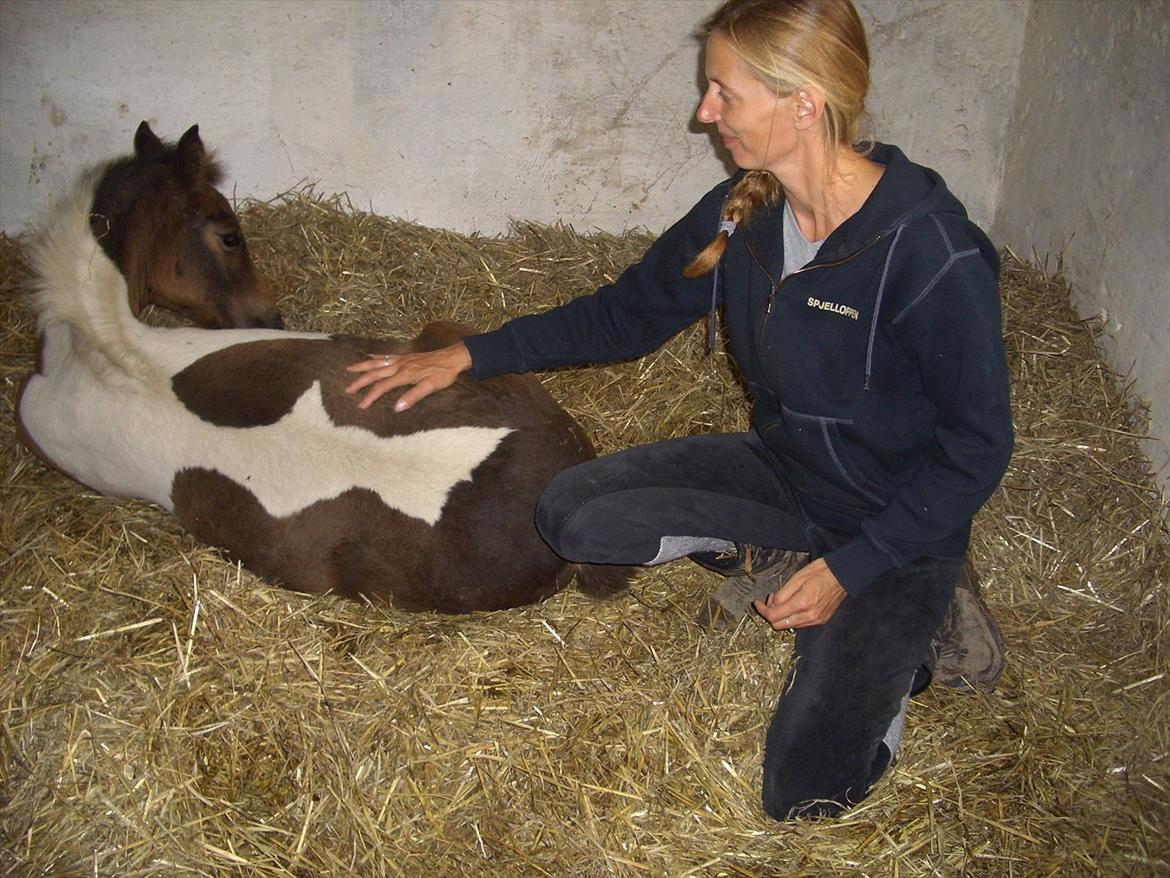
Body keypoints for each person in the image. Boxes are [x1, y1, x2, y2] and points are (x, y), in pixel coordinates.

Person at [346, 0, 1013, 821]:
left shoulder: (930, 252)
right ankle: (775, 551)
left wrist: (856, 566)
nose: (705, 113)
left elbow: (978, 449)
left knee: (805, 795)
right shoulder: (747, 212)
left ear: (804, 104)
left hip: (897, 523)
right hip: (785, 474)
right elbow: (627, 314)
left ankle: (918, 635)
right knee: (572, 517)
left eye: (725, 93)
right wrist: (474, 353)